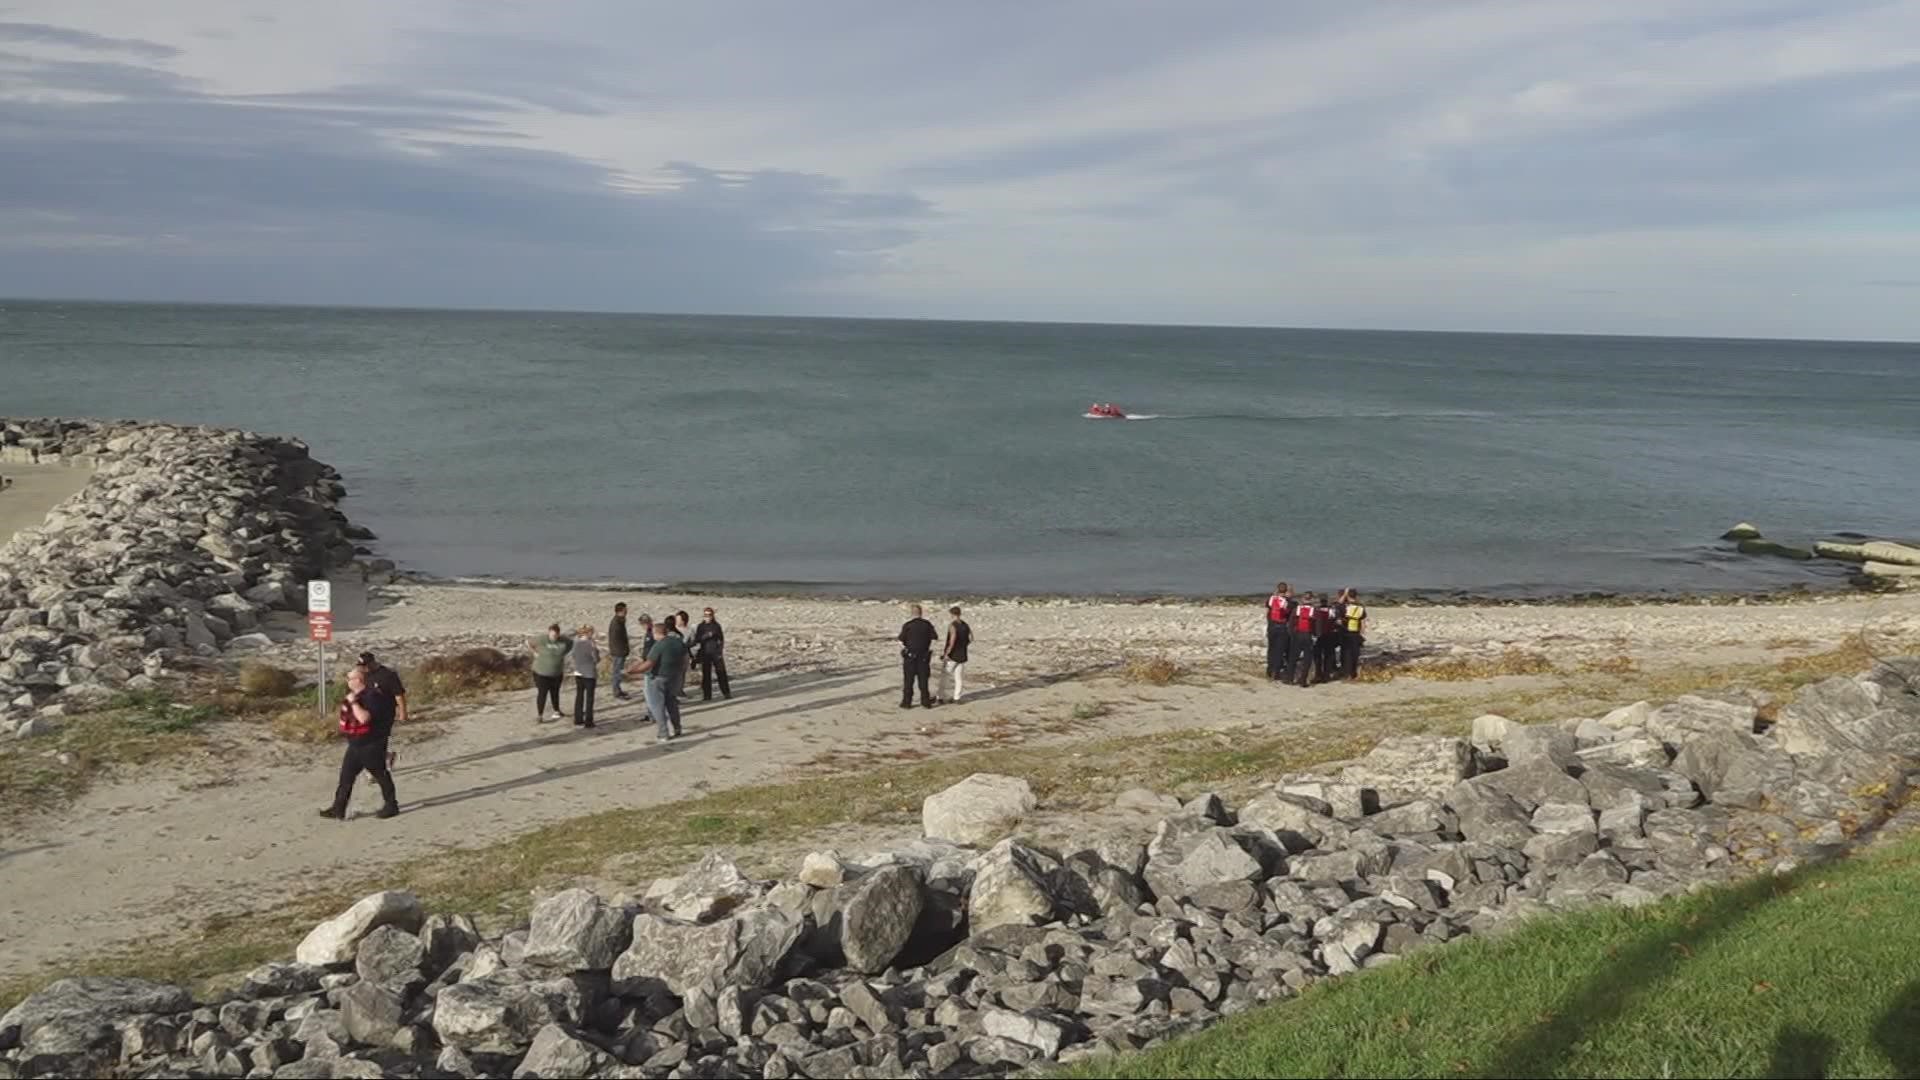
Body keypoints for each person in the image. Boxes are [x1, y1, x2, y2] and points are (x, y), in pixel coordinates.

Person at [318, 666, 399, 820]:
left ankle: (391, 805)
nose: (347, 681)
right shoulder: (357, 695)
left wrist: (354, 702)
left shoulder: (372, 696)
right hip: (355, 744)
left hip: (371, 744)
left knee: (380, 775)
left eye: (350, 678)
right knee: (346, 777)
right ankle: (338, 809)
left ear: (358, 680)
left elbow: (364, 718)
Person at [635, 622, 687, 741]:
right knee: (672, 703)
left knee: (657, 706)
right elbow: (685, 659)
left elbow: (649, 663)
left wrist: (631, 671)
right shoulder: (678, 642)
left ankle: (663, 733)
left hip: (657, 677)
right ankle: (677, 728)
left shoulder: (659, 646)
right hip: (674, 676)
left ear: (656, 633)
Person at [355, 652, 407, 770]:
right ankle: (386, 757)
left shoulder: (388, 675)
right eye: (360, 666)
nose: (362, 668)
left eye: (364, 666)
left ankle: (375, 769)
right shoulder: (363, 676)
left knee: (377, 741)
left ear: (372, 663)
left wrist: (403, 712)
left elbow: (399, 695)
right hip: (367, 713)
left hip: (385, 714)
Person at [529, 623, 571, 722]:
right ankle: (540, 715)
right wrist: (535, 653)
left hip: (556, 673)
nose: (554, 637)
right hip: (541, 672)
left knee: (555, 692)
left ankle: (556, 710)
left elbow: (571, 645)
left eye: (556, 635)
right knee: (542, 693)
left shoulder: (564, 641)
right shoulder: (542, 639)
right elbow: (529, 643)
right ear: (549, 633)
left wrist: (562, 655)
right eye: (552, 635)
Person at [899, 603, 938, 709]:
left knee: (908, 681)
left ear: (912, 613)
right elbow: (934, 637)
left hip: (910, 655)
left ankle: (907, 702)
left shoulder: (908, 625)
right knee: (923, 680)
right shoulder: (927, 624)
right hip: (923, 656)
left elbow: (902, 639)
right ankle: (925, 702)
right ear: (921, 613)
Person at [693, 606, 732, 701]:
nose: (708, 617)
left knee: (721, 673)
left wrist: (720, 651)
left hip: (716, 653)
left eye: (709, 615)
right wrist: (706, 636)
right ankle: (707, 695)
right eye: (706, 615)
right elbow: (697, 639)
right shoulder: (700, 626)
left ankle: (726, 692)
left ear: (713, 616)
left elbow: (721, 640)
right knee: (706, 674)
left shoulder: (716, 626)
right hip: (705, 653)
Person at [570, 624, 601, 728]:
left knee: (579, 696)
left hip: (578, 672)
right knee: (589, 698)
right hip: (589, 673)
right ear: (589, 633)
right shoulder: (590, 644)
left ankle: (578, 719)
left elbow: (573, 655)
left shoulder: (576, 642)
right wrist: (595, 649)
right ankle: (589, 721)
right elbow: (596, 659)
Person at [939, 605, 972, 703]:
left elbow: (952, 641)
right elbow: (971, 638)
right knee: (959, 677)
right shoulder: (965, 625)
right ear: (959, 614)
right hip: (962, 653)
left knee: (945, 676)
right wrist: (964, 645)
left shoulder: (952, 625)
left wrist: (947, 653)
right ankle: (957, 697)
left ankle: (940, 696)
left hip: (953, 654)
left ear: (952, 614)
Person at [1290, 592, 1321, 687]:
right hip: (1308, 635)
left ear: (1302, 599)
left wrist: (1292, 634)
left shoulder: (1296, 609)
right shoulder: (1315, 611)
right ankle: (1303, 680)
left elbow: (1291, 623)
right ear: (1311, 600)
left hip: (1298, 634)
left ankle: (1289, 678)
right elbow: (1318, 625)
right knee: (1307, 659)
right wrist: (1316, 636)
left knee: (1293, 657)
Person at [1265, 582, 1294, 680]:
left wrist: (1276, 593)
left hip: (1272, 626)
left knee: (1271, 649)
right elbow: (1290, 610)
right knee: (1279, 650)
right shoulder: (1287, 601)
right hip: (1282, 627)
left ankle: (1269, 670)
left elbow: (1268, 607)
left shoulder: (1272, 599)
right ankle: (1276, 672)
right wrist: (1289, 597)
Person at [1340, 588, 1368, 679]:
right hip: (1356, 632)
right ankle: (1353, 673)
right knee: (1355, 654)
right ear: (1356, 596)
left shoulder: (1345, 606)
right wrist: (1362, 633)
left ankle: (1346, 673)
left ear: (1348, 596)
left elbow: (1338, 604)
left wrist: (1344, 594)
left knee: (1346, 653)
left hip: (1346, 631)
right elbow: (1363, 621)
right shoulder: (1361, 607)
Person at [607, 602, 632, 700]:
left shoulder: (619, 621)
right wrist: (624, 650)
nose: (627, 612)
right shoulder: (617, 623)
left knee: (618, 671)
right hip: (618, 651)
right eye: (625, 610)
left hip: (618, 650)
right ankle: (616, 692)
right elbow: (617, 639)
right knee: (617, 671)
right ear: (620, 611)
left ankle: (617, 689)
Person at [670, 611, 693, 702]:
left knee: (682, 674)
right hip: (674, 655)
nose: (676, 620)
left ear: (683, 621)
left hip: (684, 654)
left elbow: (693, 642)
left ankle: (679, 690)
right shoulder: (673, 630)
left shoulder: (689, 631)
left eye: (678, 619)